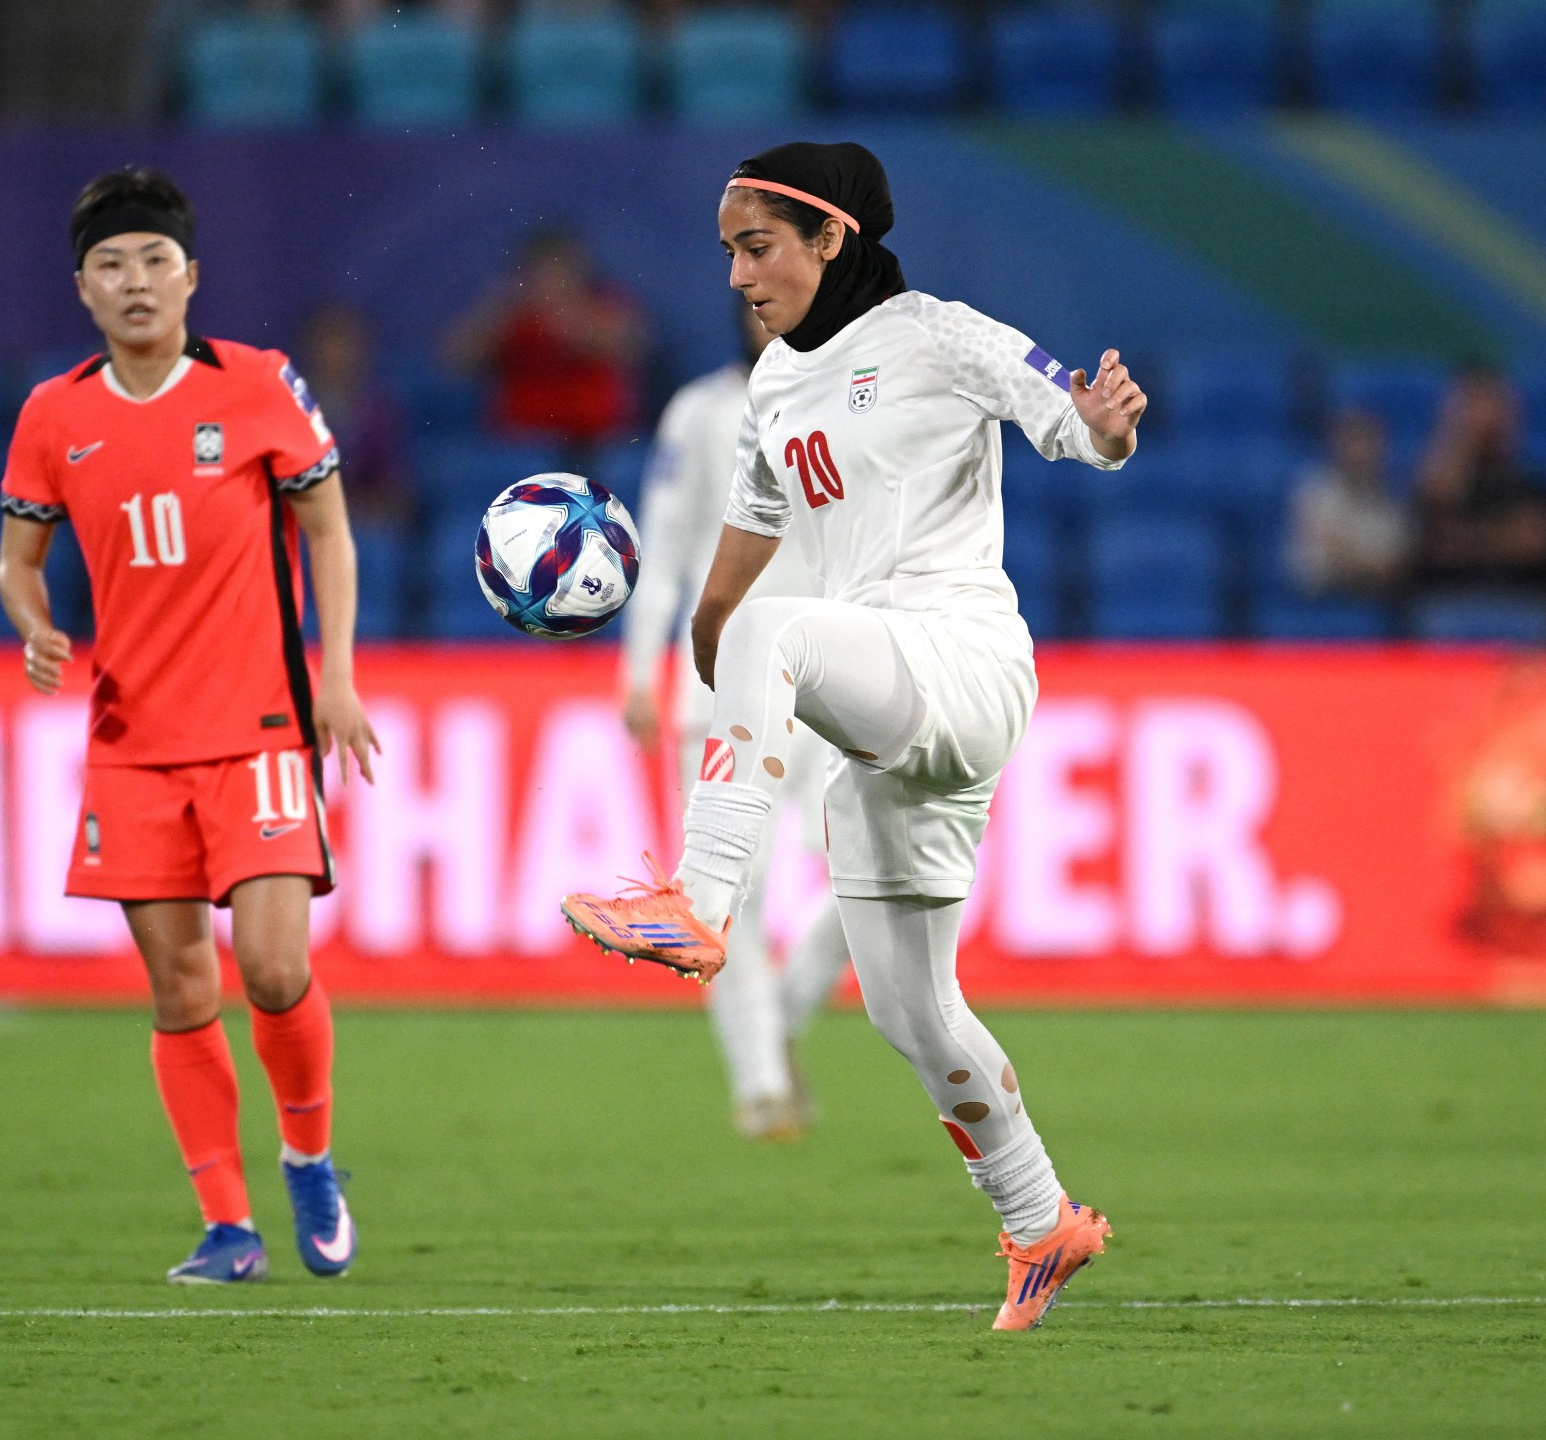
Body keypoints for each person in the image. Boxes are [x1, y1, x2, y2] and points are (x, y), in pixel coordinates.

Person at [562, 142, 1146, 1331]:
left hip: (962, 659)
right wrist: (712, 655)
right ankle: (1041, 1222)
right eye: (727, 248)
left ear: (832, 239)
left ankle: (698, 903)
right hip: (877, 705)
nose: (735, 273)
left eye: (757, 245)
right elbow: (736, 576)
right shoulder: (773, 386)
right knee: (909, 1011)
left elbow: (1074, 423)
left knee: (782, 632)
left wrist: (1103, 424)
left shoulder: (938, 333)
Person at [0, 167, 380, 1285]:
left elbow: (331, 531)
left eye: (155, 261)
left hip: (259, 725)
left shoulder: (257, 385)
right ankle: (227, 1226)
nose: (136, 282)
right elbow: (18, 559)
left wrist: (336, 678)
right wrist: (34, 622)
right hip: (132, 743)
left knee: (268, 967)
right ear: (82, 288)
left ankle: (308, 1153)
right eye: (112, 265)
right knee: (179, 990)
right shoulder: (53, 415)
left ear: (191, 277)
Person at [620, 296, 848, 1141]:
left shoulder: (852, 399)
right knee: (726, 904)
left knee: (871, 882)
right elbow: (666, 549)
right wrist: (641, 671)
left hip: (831, 677)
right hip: (718, 685)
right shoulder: (702, 412)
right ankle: (760, 1088)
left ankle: (777, 1028)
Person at [443, 226, 646, 458]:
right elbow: (456, 360)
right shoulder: (510, 313)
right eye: (542, 270)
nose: (551, 280)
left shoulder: (605, 306)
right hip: (518, 445)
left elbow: (632, 349)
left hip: (592, 447)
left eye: (560, 270)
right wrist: (496, 316)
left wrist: (568, 322)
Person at [1414, 363, 1546, 593]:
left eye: (1497, 405)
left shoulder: (1525, 483)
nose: (1488, 416)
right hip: (1450, 599)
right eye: (1475, 405)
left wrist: (1470, 539)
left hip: (1523, 598)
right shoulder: (1434, 481)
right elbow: (1442, 546)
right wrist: (1505, 537)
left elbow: (1533, 542)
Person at [298, 302, 412, 526]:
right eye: (327, 345)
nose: (335, 355)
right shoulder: (288, 408)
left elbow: (397, 486)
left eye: (344, 345)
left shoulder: (378, 412)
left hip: (361, 519)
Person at [1286, 408, 1410, 598]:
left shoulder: (1391, 493)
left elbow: (1399, 552)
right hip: (1321, 596)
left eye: (1370, 442)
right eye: (1355, 442)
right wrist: (1371, 566)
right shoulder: (1316, 491)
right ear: (1338, 446)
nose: (1362, 452)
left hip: (1380, 594)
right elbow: (1334, 553)